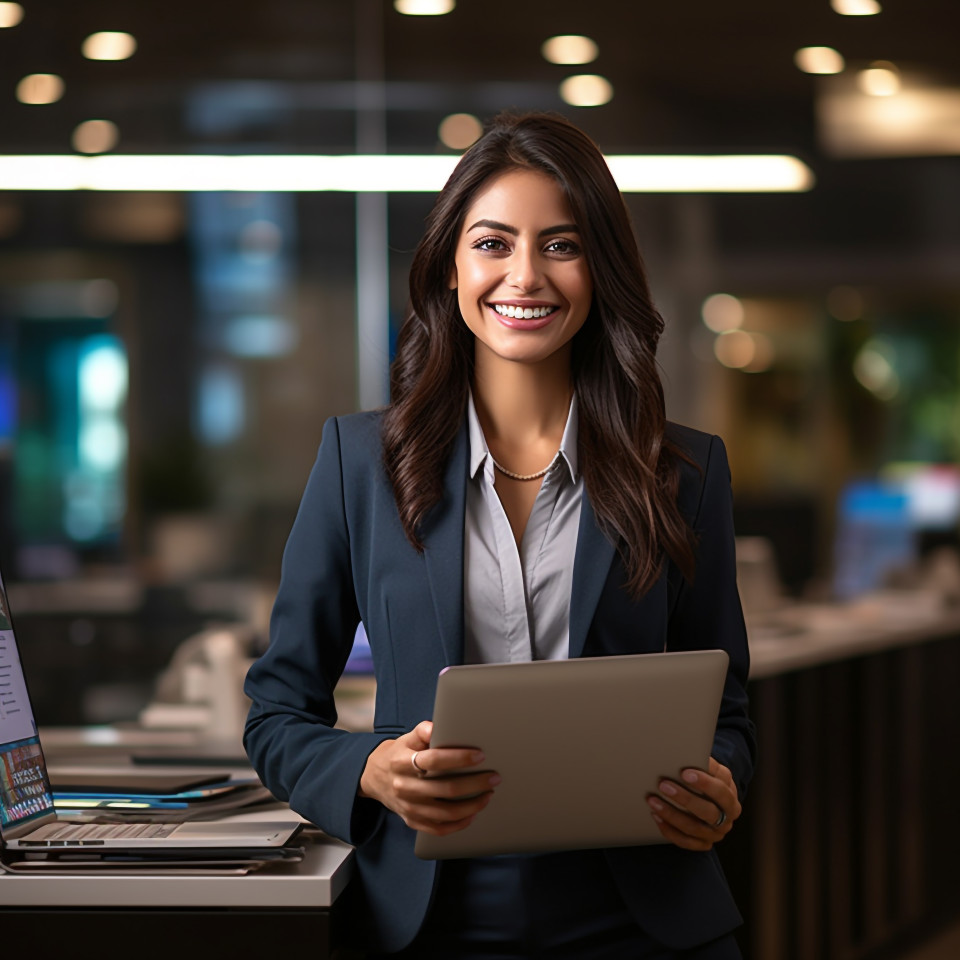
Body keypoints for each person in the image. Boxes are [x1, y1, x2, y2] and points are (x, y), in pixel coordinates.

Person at [243, 111, 756, 959]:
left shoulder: (685, 475)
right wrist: (367, 769)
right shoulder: (359, 463)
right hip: (430, 922)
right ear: (450, 266)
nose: (525, 275)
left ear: (601, 270)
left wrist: (722, 781)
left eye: (561, 244)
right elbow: (276, 713)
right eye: (492, 243)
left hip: (642, 922)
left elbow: (727, 713)